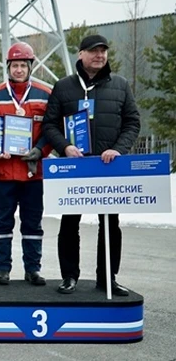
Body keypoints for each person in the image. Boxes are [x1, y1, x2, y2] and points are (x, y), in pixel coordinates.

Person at [42, 34, 140, 296]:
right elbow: (49, 125)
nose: (99, 55)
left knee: (110, 224)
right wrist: (65, 147)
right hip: (76, 167)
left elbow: (132, 122)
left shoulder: (120, 85)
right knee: (69, 223)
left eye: (103, 51)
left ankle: (107, 278)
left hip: (107, 167)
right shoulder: (64, 87)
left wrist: (118, 149)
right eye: (94, 51)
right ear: (81, 54)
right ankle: (69, 276)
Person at [0, 42, 52, 286]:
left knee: (33, 223)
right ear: (8, 68)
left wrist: (40, 150)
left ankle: (33, 269)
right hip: (3, 172)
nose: (19, 70)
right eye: (15, 66)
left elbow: (52, 129)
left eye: (23, 65)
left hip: (33, 173)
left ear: (30, 67)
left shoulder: (45, 94)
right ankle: (2, 268)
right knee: (2, 222)